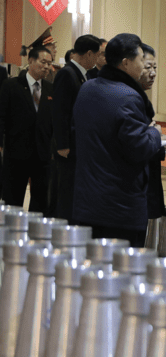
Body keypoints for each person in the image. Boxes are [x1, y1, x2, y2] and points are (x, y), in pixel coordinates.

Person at [71, 33, 165, 246]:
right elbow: (139, 148)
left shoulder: (87, 88)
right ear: (125, 63)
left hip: (86, 202)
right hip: (119, 206)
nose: (144, 66)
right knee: (122, 272)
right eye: (141, 60)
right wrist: (155, 133)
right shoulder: (128, 97)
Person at [51, 34, 103, 221]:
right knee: (66, 190)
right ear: (89, 54)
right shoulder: (68, 73)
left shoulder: (83, 74)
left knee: (74, 189)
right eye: (97, 55)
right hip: (68, 147)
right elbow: (60, 111)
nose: (98, 59)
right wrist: (62, 144)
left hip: (78, 144)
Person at [0, 42, 53, 212]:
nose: (46, 67)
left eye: (49, 64)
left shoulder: (51, 89)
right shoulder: (11, 85)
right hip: (16, 153)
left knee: (40, 202)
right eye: (43, 62)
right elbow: (1, 116)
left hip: (42, 155)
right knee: (13, 200)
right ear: (30, 60)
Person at [139, 44, 166, 222]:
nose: (153, 73)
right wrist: (154, 134)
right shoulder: (130, 99)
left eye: (155, 68)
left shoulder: (142, 98)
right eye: (148, 67)